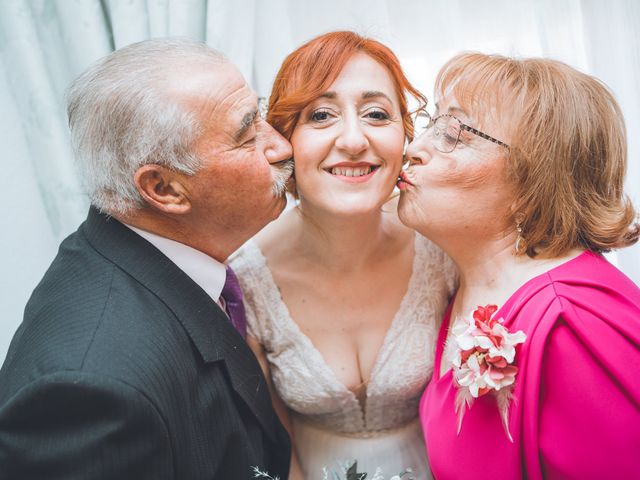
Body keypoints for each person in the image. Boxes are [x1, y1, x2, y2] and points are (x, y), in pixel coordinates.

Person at [0, 38, 294, 479]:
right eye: (248, 135)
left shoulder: (169, 257)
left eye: (261, 114)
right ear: (164, 189)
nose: (281, 147)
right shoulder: (92, 393)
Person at [397, 52, 640, 479]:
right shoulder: (462, 287)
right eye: (432, 124)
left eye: (454, 132)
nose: (413, 148)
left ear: (534, 182)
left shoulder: (573, 323)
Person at [229, 31, 455, 479]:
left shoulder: (444, 249)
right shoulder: (245, 279)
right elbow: (270, 441)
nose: (353, 140)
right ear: (282, 138)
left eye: (376, 114)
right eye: (321, 115)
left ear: (405, 136)